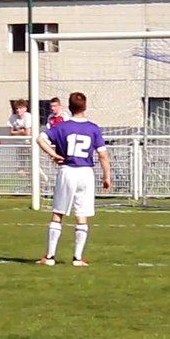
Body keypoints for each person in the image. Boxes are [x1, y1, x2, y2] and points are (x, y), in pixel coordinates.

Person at [35, 91, 110, 267]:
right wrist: (107, 176)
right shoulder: (93, 128)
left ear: (69, 107)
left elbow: (40, 139)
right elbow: (103, 155)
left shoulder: (62, 126)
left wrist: (53, 154)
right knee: (82, 215)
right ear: (85, 106)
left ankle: (50, 256)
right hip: (85, 172)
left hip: (67, 170)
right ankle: (77, 258)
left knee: (58, 213)